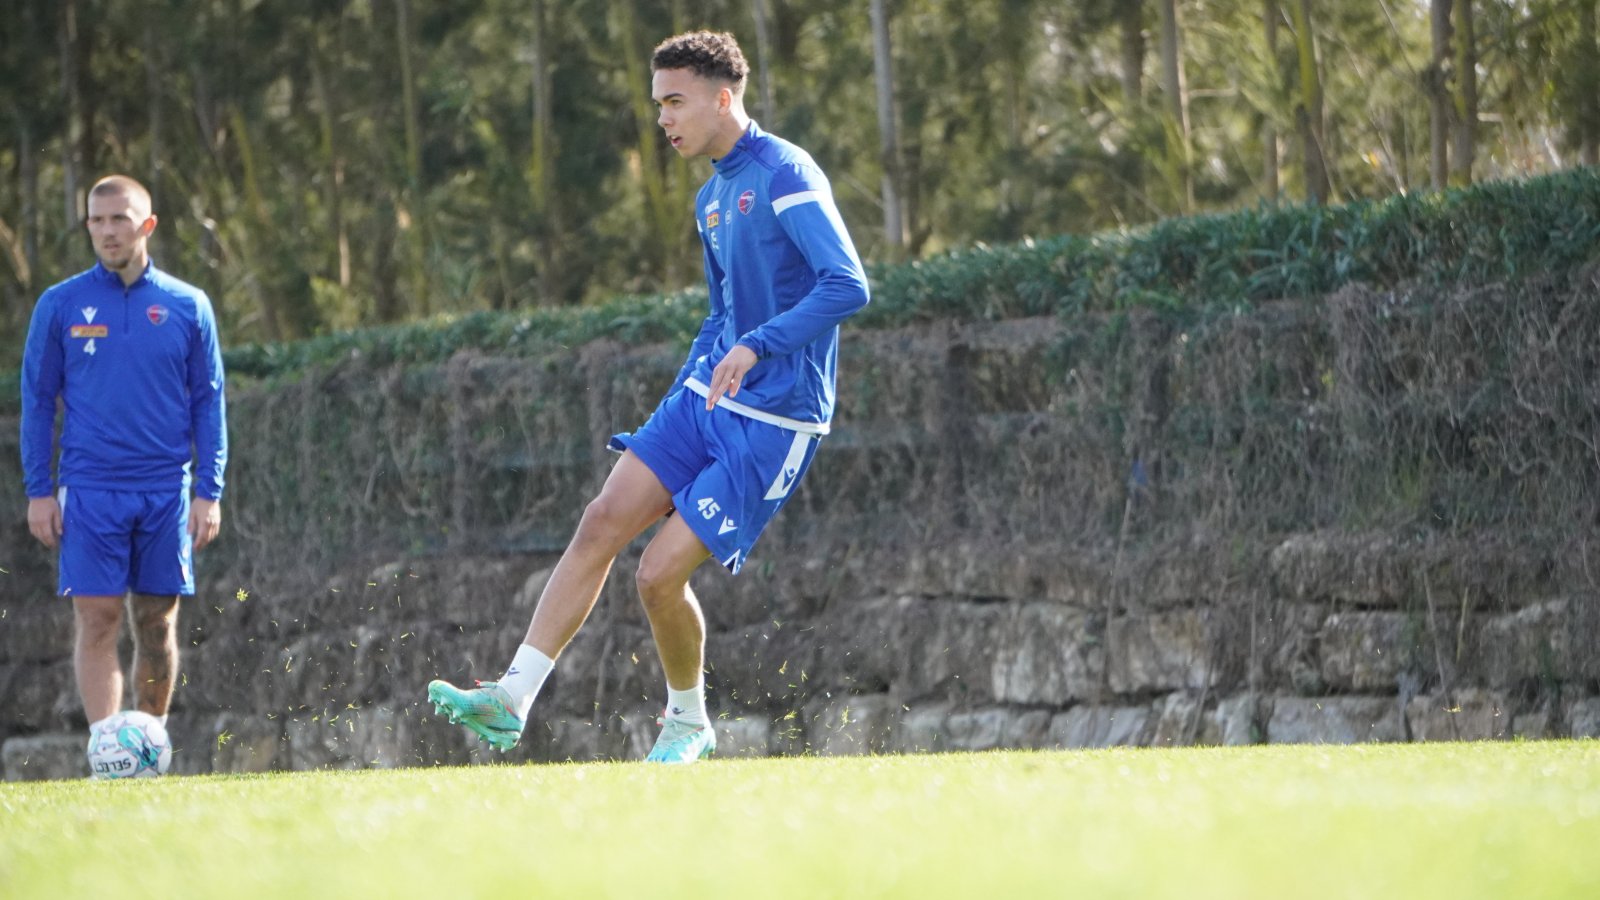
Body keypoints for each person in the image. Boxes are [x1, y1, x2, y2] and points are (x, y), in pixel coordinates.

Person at [428, 30, 870, 763]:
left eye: (675, 102)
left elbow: (847, 284)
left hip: (775, 417)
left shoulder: (786, 172)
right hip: (703, 399)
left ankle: (689, 721)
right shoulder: (710, 197)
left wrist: (759, 345)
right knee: (600, 520)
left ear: (722, 99)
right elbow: (721, 313)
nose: (663, 119)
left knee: (657, 577)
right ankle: (512, 698)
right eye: (658, 104)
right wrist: (699, 372)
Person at [20, 174, 228, 765]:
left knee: (156, 622)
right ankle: (108, 755)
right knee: (98, 618)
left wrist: (208, 491)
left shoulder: (188, 305)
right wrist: (39, 490)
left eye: (120, 219)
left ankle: (149, 747)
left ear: (147, 225)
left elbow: (208, 401)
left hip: (165, 489)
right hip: (89, 489)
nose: (107, 231)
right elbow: (38, 401)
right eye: (97, 220)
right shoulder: (59, 304)